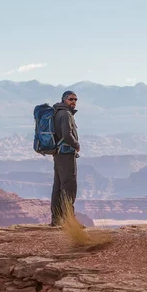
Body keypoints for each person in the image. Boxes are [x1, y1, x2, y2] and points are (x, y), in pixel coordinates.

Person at [50, 90, 80, 226]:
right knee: (69, 187)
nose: (73, 102)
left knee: (58, 187)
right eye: (70, 99)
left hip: (58, 155)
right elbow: (67, 135)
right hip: (66, 155)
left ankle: (56, 219)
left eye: (75, 100)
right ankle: (69, 221)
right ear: (64, 100)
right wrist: (76, 144)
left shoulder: (57, 112)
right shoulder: (66, 114)